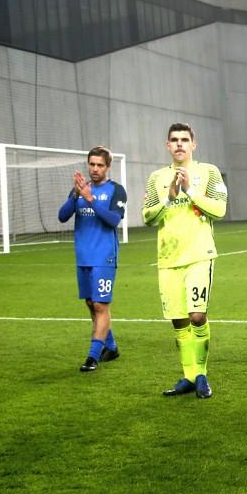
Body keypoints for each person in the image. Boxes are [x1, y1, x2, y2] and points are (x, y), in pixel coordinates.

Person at [142, 123, 227, 398]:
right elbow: (147, 217)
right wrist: (169, 198)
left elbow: (219, 210)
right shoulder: (156, 178)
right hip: (168, 259)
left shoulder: (209, 172)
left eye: (184, 139)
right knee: (179, 321)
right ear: (167, 146)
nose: (179, 144)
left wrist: (190, 191)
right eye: (174, 140)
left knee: (197, 315)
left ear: (193, 144)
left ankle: (201, 375)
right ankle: (188, 375)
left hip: (199, 256)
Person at [56, 146, 126, 372]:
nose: (95, 169)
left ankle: (93, 356)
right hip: (83, 256)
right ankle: (111, 347)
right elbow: (62, 216)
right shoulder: (79, 190)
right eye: (92, 164)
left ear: (108, 167)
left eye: (100, 165)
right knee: (90, 303)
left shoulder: (116, 190)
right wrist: (76, 195)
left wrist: (91, 200)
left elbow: (113, 220)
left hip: (104, 256)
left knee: (100, 304)